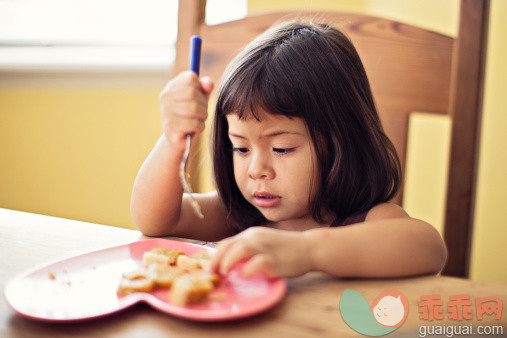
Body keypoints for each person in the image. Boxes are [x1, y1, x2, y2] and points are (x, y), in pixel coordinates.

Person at [130, 21, 447, 279]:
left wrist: (307, 251)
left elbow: (429, 248)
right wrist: (173, 140)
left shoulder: (366, 221)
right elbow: (156, 220)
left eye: (281, 148)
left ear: (340, 141)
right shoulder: (238, 215)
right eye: (240, 148)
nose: (257, 169)